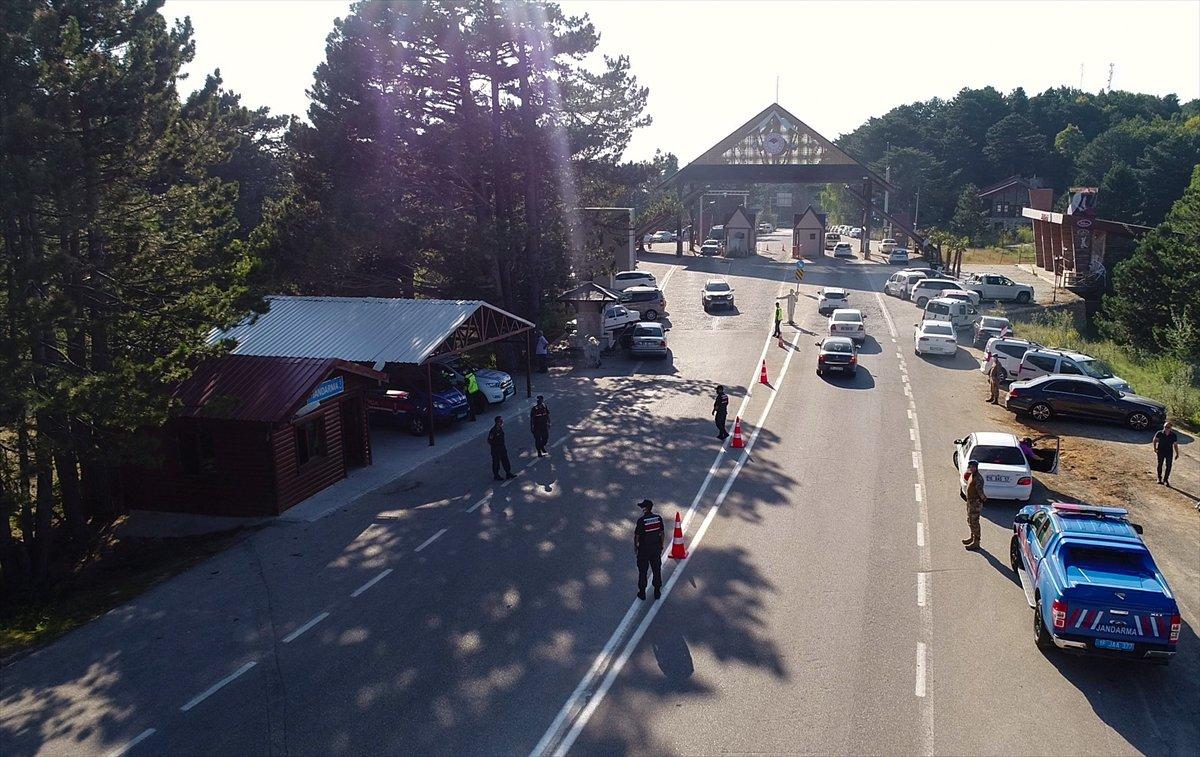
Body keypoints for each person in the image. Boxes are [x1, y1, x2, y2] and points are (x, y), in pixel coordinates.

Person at [633, 499, 664, 600]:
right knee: (656, 569)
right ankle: (657, 592)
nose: (641, 508)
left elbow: (637, 536)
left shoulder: (641, 520)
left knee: (643, 571)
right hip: (655, 548)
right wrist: (661, 545)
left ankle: (642, 593)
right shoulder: (658, 518)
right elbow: (662, 533)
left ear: (645, 508)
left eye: (642, 507)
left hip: (644, 550)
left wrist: (635, 547)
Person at [963, 460, 987, 551]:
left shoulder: (978, 478)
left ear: (975, 467)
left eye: (971, 467)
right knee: (970, 520)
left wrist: (983, 499)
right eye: (969, 466)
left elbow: (980, 492)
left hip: (975, 503)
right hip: (970, 502)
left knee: (974, 522)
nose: (970, 468)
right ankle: (972, 537)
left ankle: (976, 542)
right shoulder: (972, 475)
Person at [1153, 421, 1180, 486]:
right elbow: (1154, 440)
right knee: (1160, 464)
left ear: (1171, 428)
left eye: (1168, 427)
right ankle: (1159, 478)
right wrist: (1155, 448)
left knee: (1169, 466)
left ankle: (1166, 479)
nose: (1166, 428)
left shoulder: (1173, 435)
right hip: (1160, 451)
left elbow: (1175, 445)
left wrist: (1177, 453)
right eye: (1165, 427)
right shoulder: (1159, 433)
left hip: (1169, 452)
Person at [487, 416, 514, 481]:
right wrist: (495, 445)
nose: (502, 422)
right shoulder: (493, 430)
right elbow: (489, 440)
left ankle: (508, 473)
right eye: (500, 421)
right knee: (496, 462)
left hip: (502, 448)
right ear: (497, 422)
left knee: (505, 460)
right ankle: (496, 475)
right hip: (496, 450)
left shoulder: (500, 428)